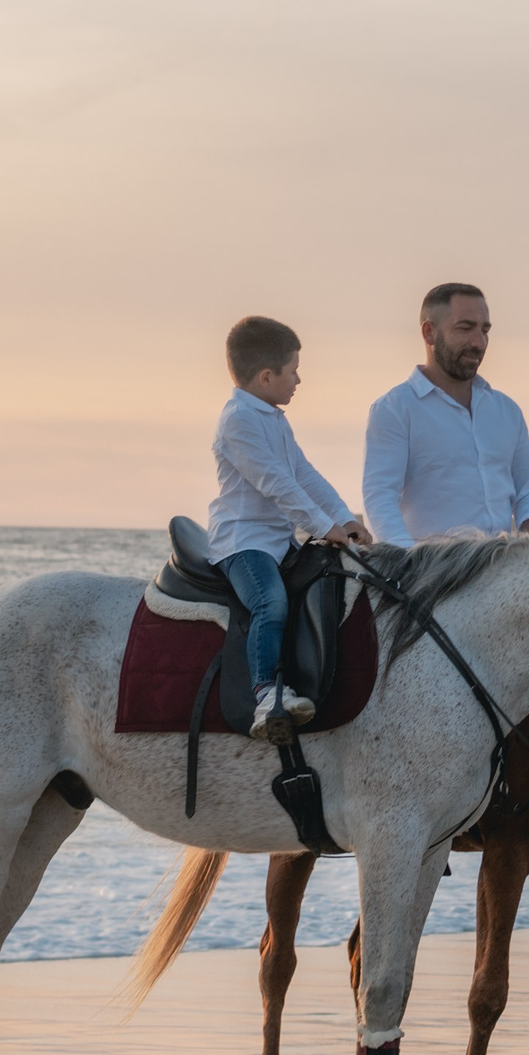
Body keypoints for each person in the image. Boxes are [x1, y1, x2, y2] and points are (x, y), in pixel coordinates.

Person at [208, 315, 367, 739]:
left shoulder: (274, 418)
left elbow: (305, 475)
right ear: (265, 376)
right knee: (270, 603)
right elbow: (276, 484)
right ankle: (266, 694)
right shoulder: (238, 420)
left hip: (279, 541)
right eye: (293, 370)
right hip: (243, 543)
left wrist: (344, 518)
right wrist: (321, 524)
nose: (299, 379)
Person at [362, 282, 529, 545]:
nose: (479, 342)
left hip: (503, 565)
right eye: (465, 328)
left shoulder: (506, 411)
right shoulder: (394, 409)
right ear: (429, 333)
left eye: (484, 330)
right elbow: (379, 498)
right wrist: (409, 564)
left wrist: (528, 539)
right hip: (433, 571)